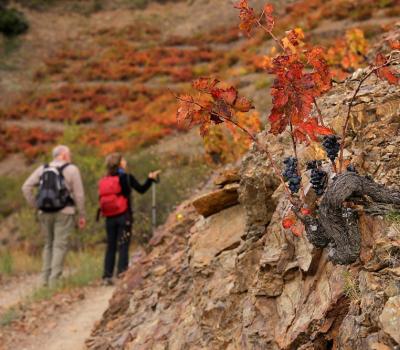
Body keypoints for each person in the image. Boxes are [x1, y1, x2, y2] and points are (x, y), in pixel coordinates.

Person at [22, 145, 86, 287]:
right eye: (69, 153)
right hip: (64, 212)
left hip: (44, 212)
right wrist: (81, 214)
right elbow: (79, 194)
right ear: (63, 155)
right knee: (59, 245)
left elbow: (25, 187)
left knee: (48, 245)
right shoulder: (72, 169)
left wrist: (36, 205)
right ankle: (54, 281)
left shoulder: (42, 169)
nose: (70, 156)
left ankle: (44, 279)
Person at [99, 153, 160, 285]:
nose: (125, 162)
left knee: (111, 246)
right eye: (123, 160)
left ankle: (107, 276)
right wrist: (150, 179)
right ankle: (122, 274)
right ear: (120, 163)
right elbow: (141, 189)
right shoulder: (126, 177)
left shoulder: (105, 179)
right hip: (123, 215)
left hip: (109, 217)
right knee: (123, 244)